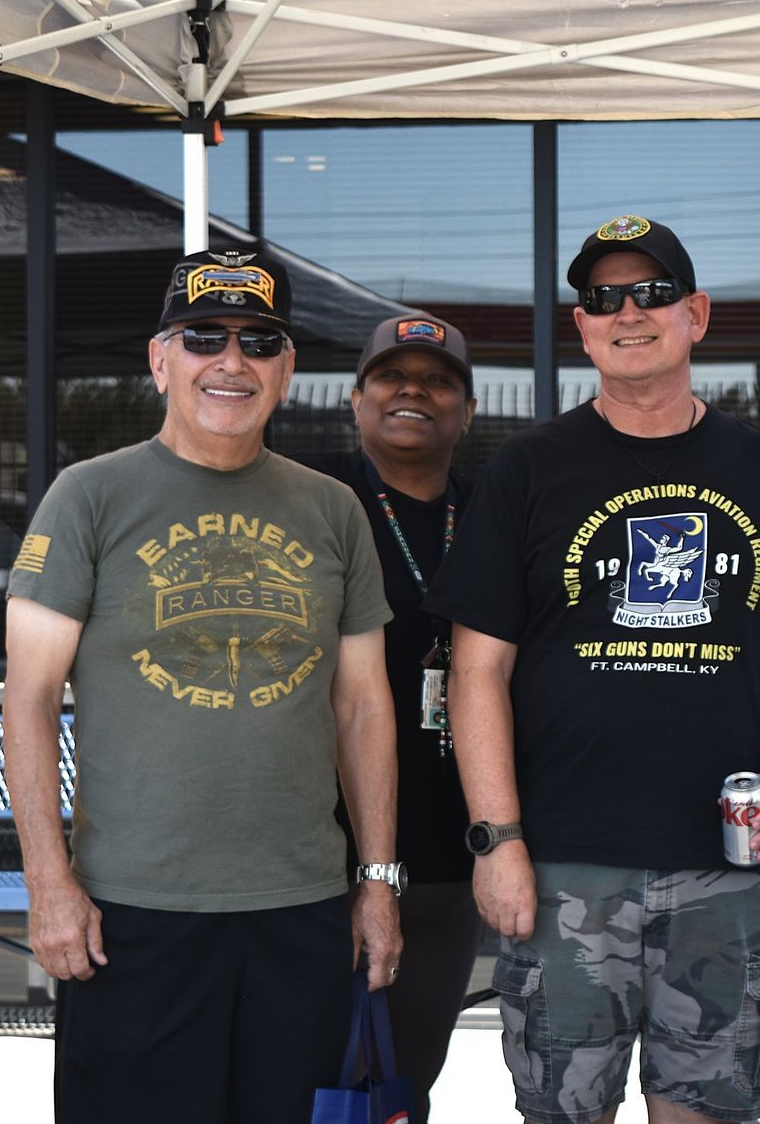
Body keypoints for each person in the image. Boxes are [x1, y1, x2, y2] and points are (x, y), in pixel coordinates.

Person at [426, 215, 760, 1124]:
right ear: (581, 326)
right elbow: (476, 673)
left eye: (653, 293)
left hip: (727, 871)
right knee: (560, 1113)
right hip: (562, 869)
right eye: (603, 298)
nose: (629, 312)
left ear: (696, 314)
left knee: (707, 1113)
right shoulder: (528, 469)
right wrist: (496, 840)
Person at [2, 249, 404, 1124]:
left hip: (301, 908)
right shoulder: (89, 498)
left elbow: (363, 705)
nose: (232, 361)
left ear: (288, 371)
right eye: (203, 337)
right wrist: (49, 883)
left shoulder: (334, 509)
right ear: (160, 359)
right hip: (132, 913)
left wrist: (376, 879)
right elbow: (28, 700)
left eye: (260, 341)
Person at [299, 312, 480, 1123]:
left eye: (438, 380)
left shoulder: (494, 511)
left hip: (452, 854)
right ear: (356, 398)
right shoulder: (310, 496)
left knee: (404, 1085)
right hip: (318, 855)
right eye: (392, 377)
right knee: (308, 1074)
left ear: (467, 411)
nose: (414, 391)